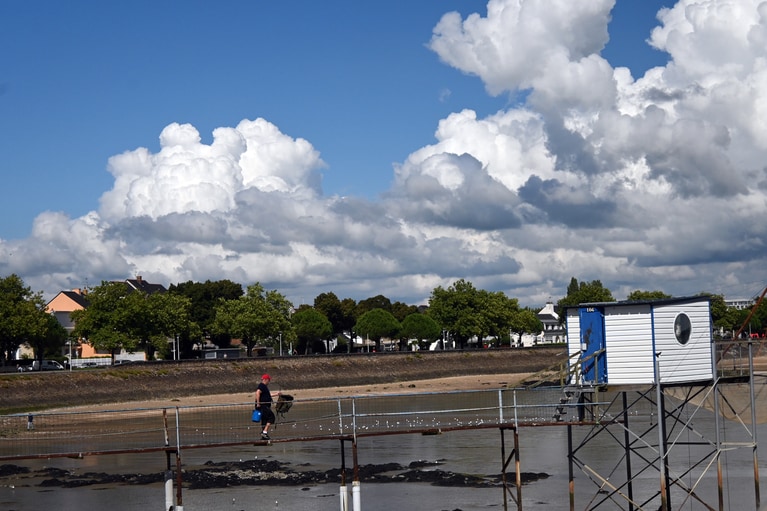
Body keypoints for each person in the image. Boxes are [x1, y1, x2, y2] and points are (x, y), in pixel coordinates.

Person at [255, 374, 279, 440]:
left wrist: (276, 394)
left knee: (264, 420)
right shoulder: (262, 386)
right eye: (269, 380)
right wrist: (258, 403)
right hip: (263, 406)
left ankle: (264, 436)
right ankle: (264, 432)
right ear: (266, 380)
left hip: (264, 405)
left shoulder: (264, 387)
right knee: (271, 417)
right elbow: (257, 393)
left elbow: (268, 395)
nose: (269, 382)